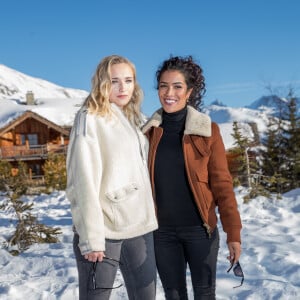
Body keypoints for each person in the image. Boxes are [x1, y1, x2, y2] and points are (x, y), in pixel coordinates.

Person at [142, 55, 242, 299]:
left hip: (201, 230)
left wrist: (234, 234)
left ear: (189, 92)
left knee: (204, 293)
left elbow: (222, 185)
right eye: (163, 86)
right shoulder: (147, 133)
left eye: (177, 86)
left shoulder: (208, 131)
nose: (169, 92)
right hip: (161, 232)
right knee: (173, 294)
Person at [66, 55, 158, 300]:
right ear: (102, 83)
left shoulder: (131, 117)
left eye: (128, 80)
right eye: (114, 81)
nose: (122, 87)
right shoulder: (90, 119)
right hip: (104, 230)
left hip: (138, 225)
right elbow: (82, 181)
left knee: (146, 296)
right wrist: (91, 238)